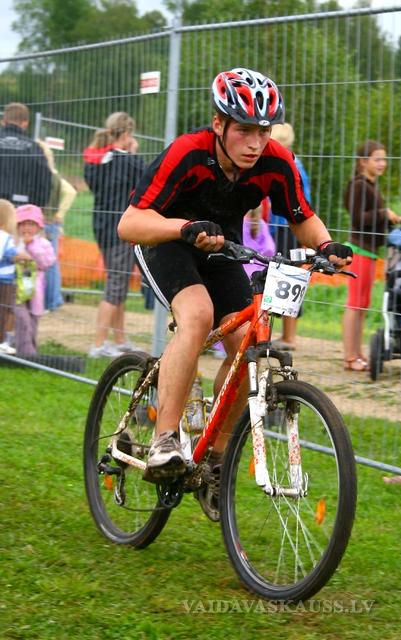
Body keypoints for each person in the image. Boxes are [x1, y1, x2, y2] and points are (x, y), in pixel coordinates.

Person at [118, 67, 353, 521]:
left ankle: (215, 460)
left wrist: (325, 246)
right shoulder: (188, 153)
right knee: (197, 315)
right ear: (219, 124)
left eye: (264, 131)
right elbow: (130, 222)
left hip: (221, 247)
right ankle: (165, 439)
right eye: (244, 130)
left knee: (249, 345)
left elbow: (302, 216)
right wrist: (183, 228)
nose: (255, 142)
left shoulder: (276, 161)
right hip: (164, 239)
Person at [83, 112, 146, 357]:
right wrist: (133, 154)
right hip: (121, 228)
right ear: (127, 134)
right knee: (116, 283)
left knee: (117, 281)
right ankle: (98, 345)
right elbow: (145, 182)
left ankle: (119, 339)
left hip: (101, 226)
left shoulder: (99, 159)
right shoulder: (128, 161)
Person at [342, 140, 401, 371]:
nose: (382, 163)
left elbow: (374, 219)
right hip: (359, 250)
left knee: (363, 304)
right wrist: (383, 212)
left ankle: (358, 354)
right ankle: (350, 357)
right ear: (363, 162)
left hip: (369, 251)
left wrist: (395, 219)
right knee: (355, 305)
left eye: (384, 159)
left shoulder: (369, 186)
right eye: (377, 159)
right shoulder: (358, 186)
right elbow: (359, 218)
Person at [269, 123, 312, 350]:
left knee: (289, 279)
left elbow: (304, 203)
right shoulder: (296, 164)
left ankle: (289, 337)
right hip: (281, 229)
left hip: (287, 229)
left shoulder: (292, 167)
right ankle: (286, 335)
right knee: (283, 280)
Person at [37, 139, 77, 312]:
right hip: (50, 223)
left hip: (44, 223)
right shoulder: (54, 175)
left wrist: (59, 214)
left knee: (48, 264)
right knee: (51, 263)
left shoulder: (45, 175)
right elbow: (70, 192)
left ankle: (51, 301)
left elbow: (71, 192)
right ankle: (53, 300)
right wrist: (59, 213)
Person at [14, 205, 55, 356]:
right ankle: (27, 354)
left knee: (33, 322)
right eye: (23, 224)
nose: (27, 228)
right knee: (22, 320)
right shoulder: (13, 242)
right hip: (17, 290)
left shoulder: (44, 244)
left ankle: (30, 352)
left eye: (31, 224)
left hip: (35, 290)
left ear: (39, 226)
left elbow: (46, 263)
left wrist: (31, 247)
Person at [0, 103, 52, 207]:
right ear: (25, 123)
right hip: (22, 205)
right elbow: (44, 179)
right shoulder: (33, 147)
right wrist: (37, 205)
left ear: (3, 122)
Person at [0, 199, 31, 354]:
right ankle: (2, 342)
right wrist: (23, 257)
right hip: (4, 281)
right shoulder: (5, 237)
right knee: (5, 311)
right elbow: (9, 254)